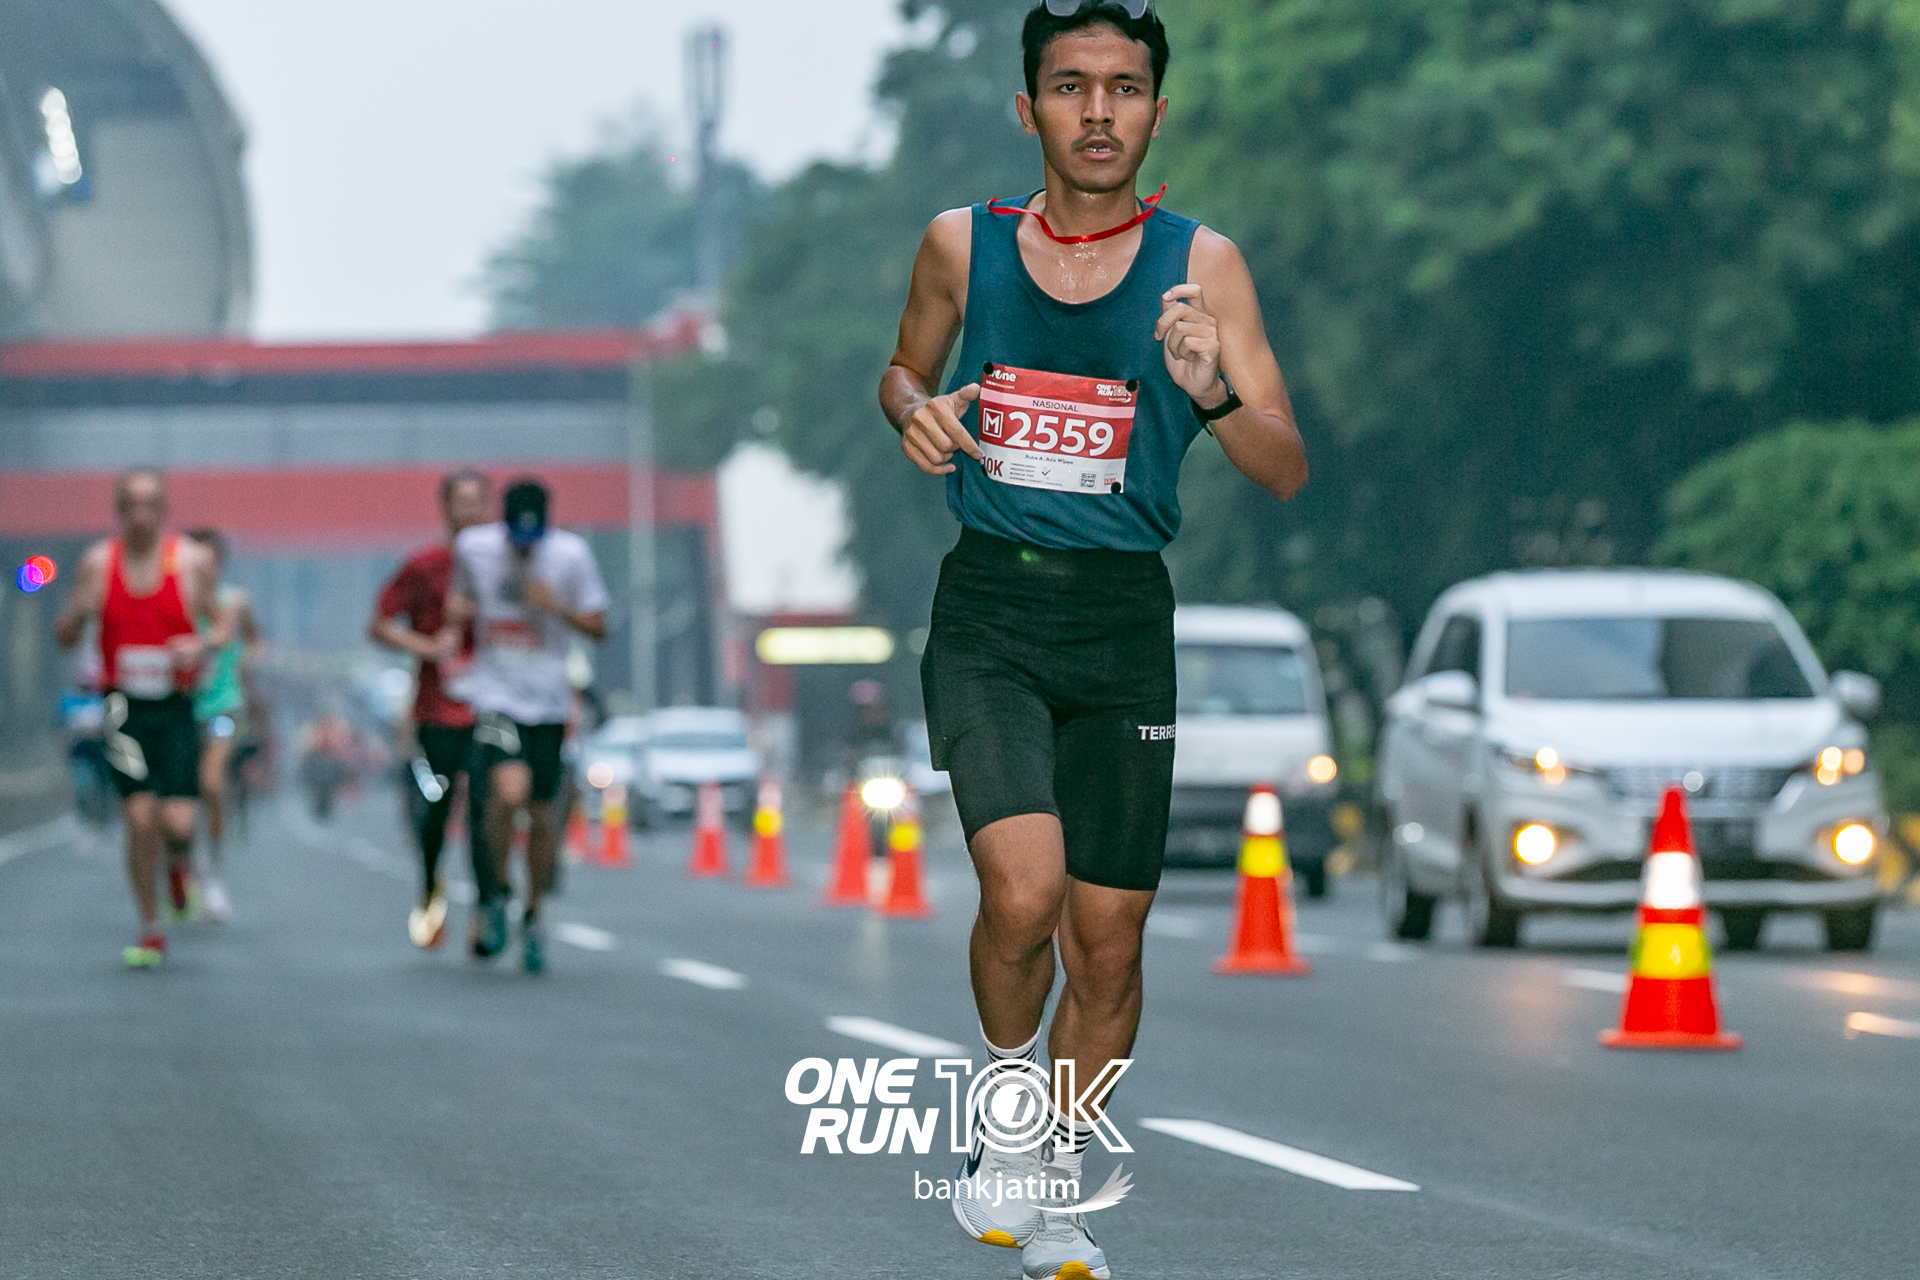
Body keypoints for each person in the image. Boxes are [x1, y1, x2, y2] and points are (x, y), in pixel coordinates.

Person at [878, 4, 1308, 1276]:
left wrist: (1211, 390)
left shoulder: (1204, 266)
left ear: (1157, 112)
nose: (1100, 111)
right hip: (992, 611)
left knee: (1109, 942)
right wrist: (915, 410)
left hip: (1124, 621)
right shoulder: (960, 244)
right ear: (1030, 110)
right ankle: (1009, 1112)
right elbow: (901, 371)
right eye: (1072, 86)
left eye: (1125, 87)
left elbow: (1284, 464)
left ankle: (1051, 1182)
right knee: (1025, 893)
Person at [442, 478, 608, 974]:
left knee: (541, 813)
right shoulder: (475, 548)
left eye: (532, 542)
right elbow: (459, 599)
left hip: (550, 703)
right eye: (516, 540)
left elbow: (600, 625)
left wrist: (556, 607)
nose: (523, 550)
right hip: (496, 697)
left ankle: (533, 914)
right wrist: (460, 612)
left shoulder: (571, 556)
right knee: (506, 791)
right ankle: (495, 893)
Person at [55, 468, 218, 967]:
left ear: (164, 509)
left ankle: (179, 862)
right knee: (140, 818)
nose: (141, 515)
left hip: (176, 704)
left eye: (150, 504)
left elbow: (222, 623)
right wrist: (78, 614)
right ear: (119, 510)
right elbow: (65, 636)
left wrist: (201, 643)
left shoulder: (191, 561)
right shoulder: (97, 563)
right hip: (122, 706)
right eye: (131, 505)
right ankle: (150, 927)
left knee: (179, 821)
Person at [369, 469, 492, 950]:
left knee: (485, 809)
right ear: (446, 508)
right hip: (436, 710)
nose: (472, 511)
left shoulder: (505, 569)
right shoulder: (424, 566)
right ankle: (430, 889)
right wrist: (425, 646)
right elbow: (379, 624)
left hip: (491, 708)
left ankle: (486, 911)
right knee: (437, 808)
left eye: (479, 501)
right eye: (463, 502)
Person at [183, 528, 261, 923]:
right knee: (179, 801)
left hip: (223, 708)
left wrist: (246, 660)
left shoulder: (235, 602)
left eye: (210, 560)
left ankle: (214, 874)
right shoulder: (175, 601)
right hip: (181, 709)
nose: (204, 568)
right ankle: (183, 866)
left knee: (212, 783)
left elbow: (255, 639)